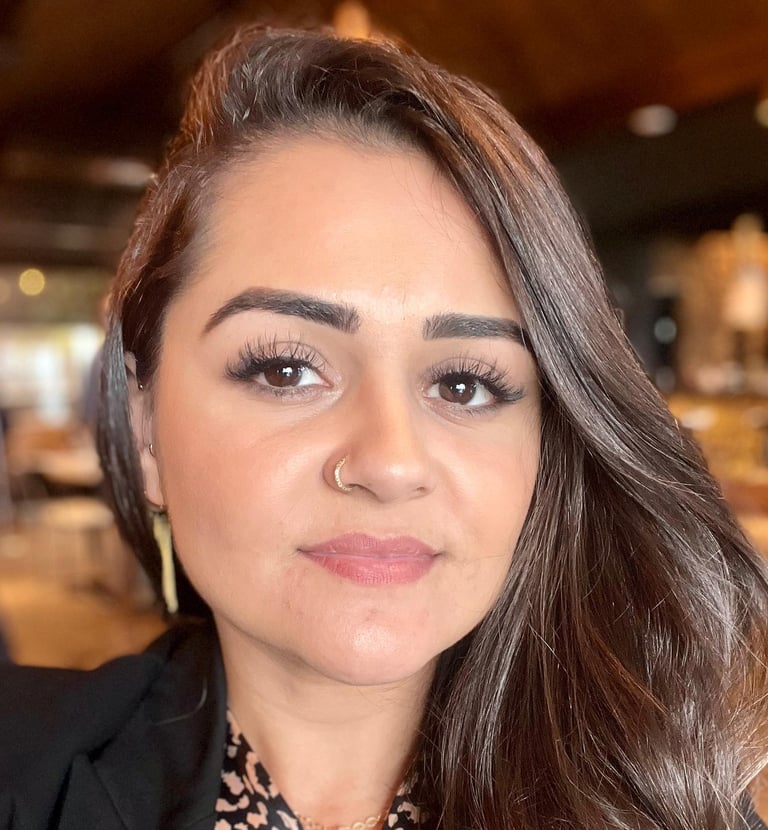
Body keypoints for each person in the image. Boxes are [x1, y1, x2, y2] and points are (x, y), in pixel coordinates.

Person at [2, 24, 768, 830]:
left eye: (465, 384)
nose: (392, 461)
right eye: (285, 369)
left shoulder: (668, 805)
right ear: (144, 425)